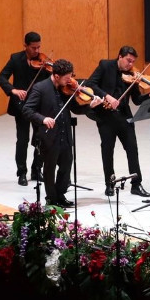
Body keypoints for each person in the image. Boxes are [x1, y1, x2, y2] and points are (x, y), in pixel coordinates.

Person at [86, 46, 150, 198]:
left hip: (124, 116)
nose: (131, 65)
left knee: (132, 149)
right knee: (108, 150)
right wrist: (107, 96)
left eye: (133, 62)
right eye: (128, 61)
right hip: (105, 116)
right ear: (120, 57)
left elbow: (136, 100)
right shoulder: (105, 65)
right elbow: (91, 84)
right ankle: (109, 184)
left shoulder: (132, 75)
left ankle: (136, 184)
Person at [22, 59, 103, 207]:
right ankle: (51, 199)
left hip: (65, 135)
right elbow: (27, 110)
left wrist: (90, 106)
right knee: (49, 169)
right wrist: (43, 118)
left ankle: (60, 195)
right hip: (48, 136)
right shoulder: (40, 88)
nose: (70, 81)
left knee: (66, 166)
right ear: (57, 76)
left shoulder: (66, 88)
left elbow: (76, 109)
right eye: (66, 78)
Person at [0, 31, 50, 186]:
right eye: (33, 48)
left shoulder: (43, 62)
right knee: (22, 140)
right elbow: (1, 77)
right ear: (25, 46)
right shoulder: (15, 59)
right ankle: (22, 172)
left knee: (40, 138)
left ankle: (36, 169)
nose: (37, 51)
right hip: (21, 106)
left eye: (39, 47)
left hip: (38, 106)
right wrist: (13, 90)